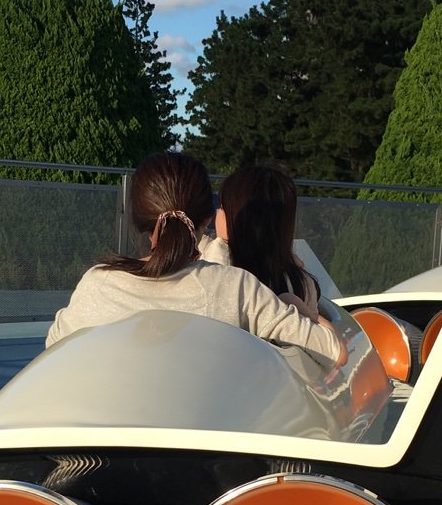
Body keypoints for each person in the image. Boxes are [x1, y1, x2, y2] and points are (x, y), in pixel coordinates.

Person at [46, 152, 346, 366]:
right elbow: (334, 352)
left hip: (99, 450)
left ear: (137, 219)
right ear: (207, 218)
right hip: (201, 450)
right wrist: (292, 305)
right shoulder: (236, 288)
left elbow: (52, 352)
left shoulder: (97, 282)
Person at [202, 164, 322, 320]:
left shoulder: (216, 266)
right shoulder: (302, 283)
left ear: (242, 220)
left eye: (223, 208)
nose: (217, 214)